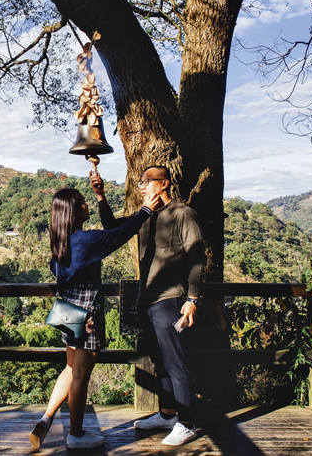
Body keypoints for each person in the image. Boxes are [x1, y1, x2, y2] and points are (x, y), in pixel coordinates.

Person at [30, 187, 162, 450]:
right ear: (73, 211)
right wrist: (146, 210)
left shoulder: (61, 241)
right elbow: (120, 234)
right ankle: (76, 435)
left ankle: (46, 418)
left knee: (70, 368)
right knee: (81, 375)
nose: (85, 204)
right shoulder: (85, 241)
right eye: (81, 202)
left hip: (66, 308)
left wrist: (102, 196)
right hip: (87, 312)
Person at [91, 166, 205, 447]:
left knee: (176, 363)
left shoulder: (183, 214)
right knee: (159, 361)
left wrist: (192, 300)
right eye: (140, 181)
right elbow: (113, 228)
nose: (141, 186)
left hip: (171, 299)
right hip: (149, 300)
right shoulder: (146, 215)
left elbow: (197, 257)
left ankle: (186, 423)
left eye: (146, 181)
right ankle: (167, 414)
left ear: (164, 183)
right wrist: (101, 196)